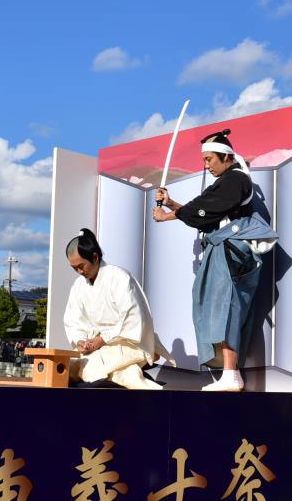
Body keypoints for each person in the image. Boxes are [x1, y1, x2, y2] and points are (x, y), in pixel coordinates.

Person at [152, 129, 276, 392]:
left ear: (226, 157)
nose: (206, 165)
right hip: (224, 248)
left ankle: (231, 373)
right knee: (214, 306)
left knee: (226, 307)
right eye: (205, 160)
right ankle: (228, 372)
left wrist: (167, 215)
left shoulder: (236, 180)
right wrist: (172, 204)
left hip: (231, 250)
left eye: (210, 159)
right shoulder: (228, 182)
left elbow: (207, 208)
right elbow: (205, 209)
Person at [62, 228, 167, 389]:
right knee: (69, 366)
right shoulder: (78, 286)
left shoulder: (120, 277)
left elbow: (133, 319)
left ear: (95, 257)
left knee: (95, 369)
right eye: (74, 268)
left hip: (128, 342)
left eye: (81, 266)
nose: (79, 271)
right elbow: (74, 320)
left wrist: (102, 339)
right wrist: (81, 340)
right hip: (96, 345)